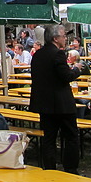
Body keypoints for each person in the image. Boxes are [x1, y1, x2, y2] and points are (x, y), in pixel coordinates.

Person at [30, 24, 81, 173]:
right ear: (55, 38)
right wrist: (77, 69)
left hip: (44, 104)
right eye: (63, 36)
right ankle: (70, 168)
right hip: (61, 104)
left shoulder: (37, 55)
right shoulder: (57, 54)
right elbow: (66, 76)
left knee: (49, 138)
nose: (65, 38)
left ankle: (50, 168)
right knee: (71, 136)